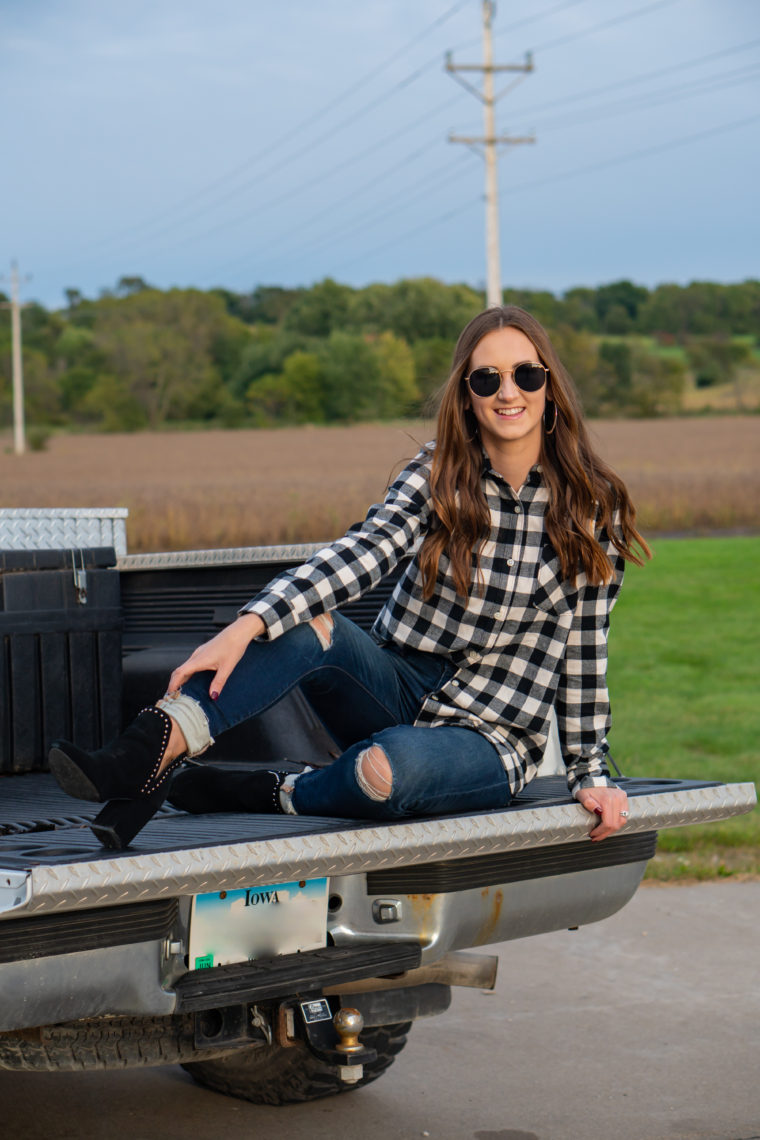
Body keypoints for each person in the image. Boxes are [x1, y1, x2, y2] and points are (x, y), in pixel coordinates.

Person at [48, 305, 649, 850]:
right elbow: (366, 550)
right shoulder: (438, 473)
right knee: (306, 622)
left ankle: (277, 791)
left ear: (550, 386)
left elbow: (584, 648)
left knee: (388, 770)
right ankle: (145, 753)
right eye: (486, 378)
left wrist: (590, 773)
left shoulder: (592, 506)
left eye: (526, 374)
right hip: (397, 684)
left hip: (490, 736)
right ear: (467, 396)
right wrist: (248, 623)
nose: (507, 392)